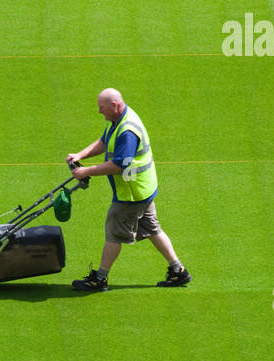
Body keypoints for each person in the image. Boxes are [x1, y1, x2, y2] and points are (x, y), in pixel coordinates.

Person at [68, 88, 191, 291]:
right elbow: (104, 141)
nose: (99, 112)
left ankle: (100, 279)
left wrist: (86, 171)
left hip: (131, 194)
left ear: (114, 105)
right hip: (144, 189)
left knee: (113, 234)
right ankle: (178, 271)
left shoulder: (127, 131)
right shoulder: (120, 119)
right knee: (152, 229)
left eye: (102, 108)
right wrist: (80, 155)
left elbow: (119, 165)